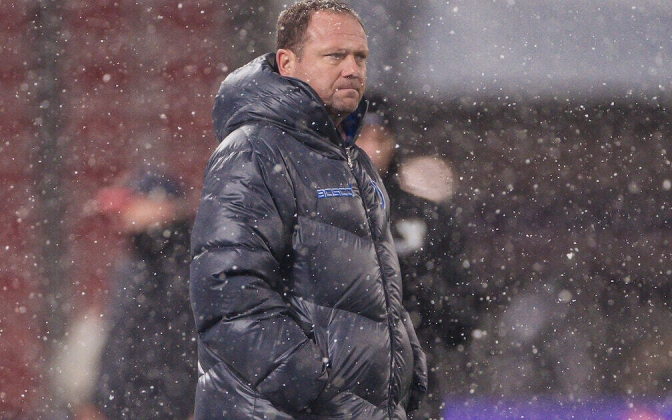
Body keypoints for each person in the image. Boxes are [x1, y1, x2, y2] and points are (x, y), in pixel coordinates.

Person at [189, 1, 427, 419]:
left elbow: (376, 298)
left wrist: (409, 378)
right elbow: (231, 303)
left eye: (360, 57)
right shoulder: (253, 151)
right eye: (335, 55)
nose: (352, 69)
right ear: (287, 63)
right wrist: (327, 399)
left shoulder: (354, 161)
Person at [357, 95, 478, 419]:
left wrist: (419, 287)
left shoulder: (429, 217)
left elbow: (464, 321)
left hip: (411, 390)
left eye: (380, 138)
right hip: (334, 388)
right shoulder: (313, 210)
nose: (371, 149)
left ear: (393, 143)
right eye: (360, 136)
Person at [77, 169, 197, 420]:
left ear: (163, 207)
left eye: (133, 203)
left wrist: (198, 404)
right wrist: (97, 401)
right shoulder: (133, 264)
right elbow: (117, 340)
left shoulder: (191, 267)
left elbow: (194, 346)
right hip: (126, 409)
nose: (124, 214)